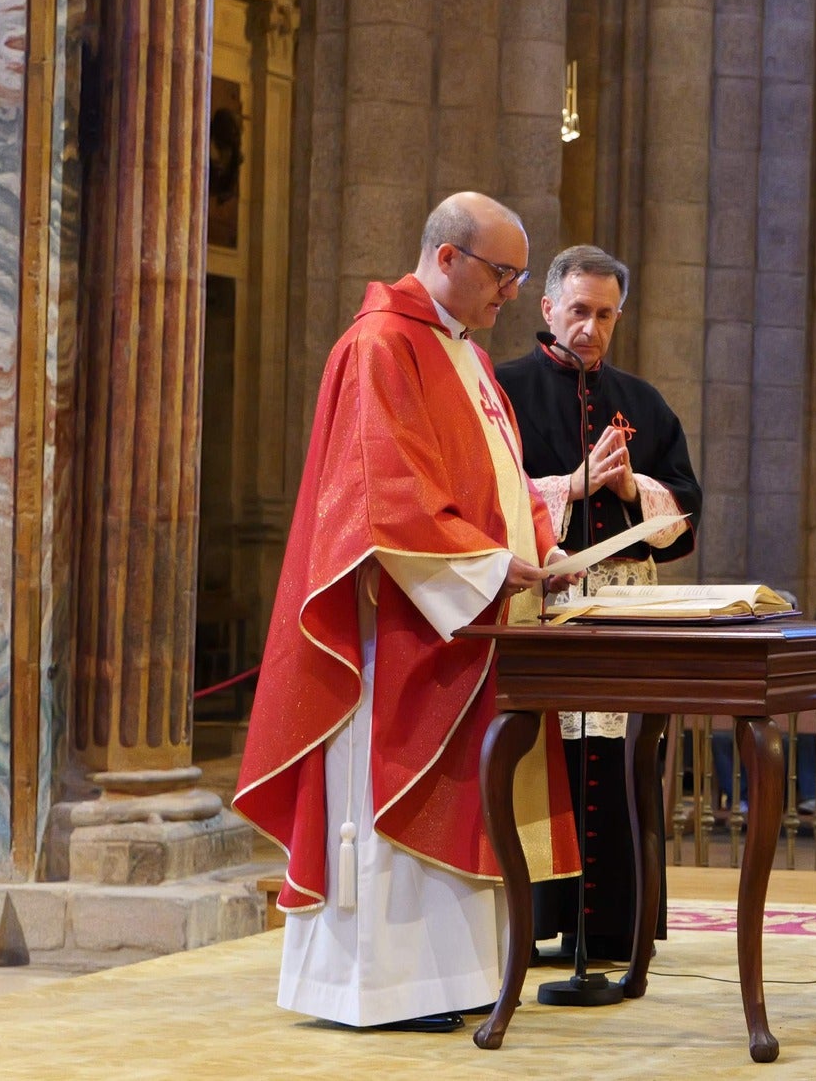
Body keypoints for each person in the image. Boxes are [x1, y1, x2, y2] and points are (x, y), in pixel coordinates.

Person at [235, 192, 583, 1033]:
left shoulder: (464, 358)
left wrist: (548, 547)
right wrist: (499, 567)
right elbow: (387, 497)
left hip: (468, 623)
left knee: (466, 801)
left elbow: (502, 476)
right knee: (391, 800)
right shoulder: (383, 345)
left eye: (519, 275)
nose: (511, 292)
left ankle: (451, 981)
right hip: (399, 634)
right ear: (449, 258)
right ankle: (380, 990)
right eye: (504, 274)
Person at [496, 244, 700, 963]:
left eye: (606, 315)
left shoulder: (643, 402)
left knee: (623, 768)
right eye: (579, 311)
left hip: (626, 615)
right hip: (536, 610)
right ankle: (533, 922)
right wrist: (572, 486)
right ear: (546, 307)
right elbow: (480, 499)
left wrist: (627, 489)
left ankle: (617, 927)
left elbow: (684, 516)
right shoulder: (501, 390)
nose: (591, 328)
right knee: (540, 762)